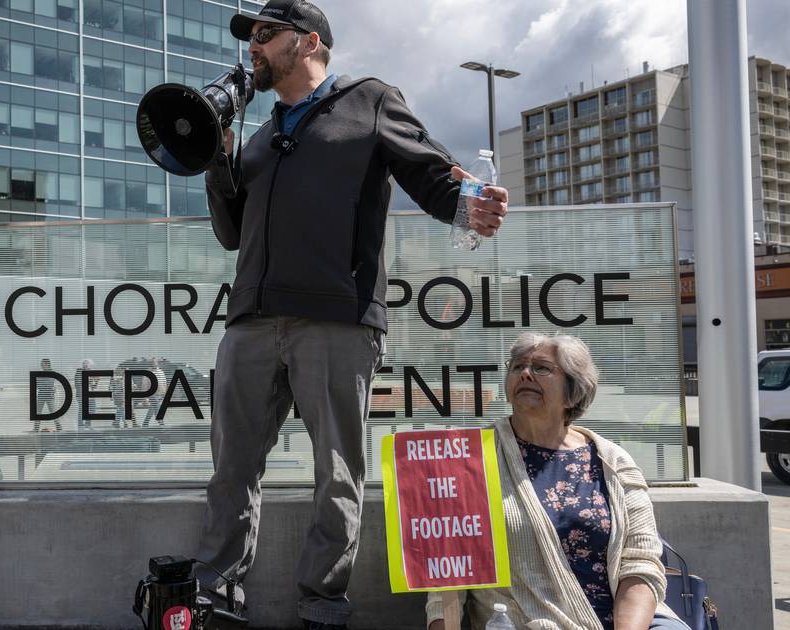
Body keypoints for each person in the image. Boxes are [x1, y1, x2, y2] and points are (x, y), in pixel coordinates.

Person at [193, 1, 509, 628]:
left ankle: (322, 604)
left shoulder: (369, 100)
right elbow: (232, 235)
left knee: (336, 472)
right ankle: (215, 594)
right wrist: (219, 164)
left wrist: (468, 206)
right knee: (231, 469)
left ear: (307, 42)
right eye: (249, 38)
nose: (252, 48)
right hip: (252, 320)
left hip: (337, 320)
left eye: (264, 35)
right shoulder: (259, 137)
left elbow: (429, 171)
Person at [426, 333, 688, 630]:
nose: (525, 373)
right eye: (517, 367)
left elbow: (640, 563)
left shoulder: (614, 462)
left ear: (573, 391)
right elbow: (445, 572)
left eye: (541, 368)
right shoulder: (468, 459)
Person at [33, 359, 62, 432]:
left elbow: (49, 384)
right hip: (42, 395)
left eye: (43, 364)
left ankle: (59, 428)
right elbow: (38, 384)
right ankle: (36, 428)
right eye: (41, 364)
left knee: (53, 412)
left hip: (49, 395)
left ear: (47, 364)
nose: (41, 365)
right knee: (38, 412)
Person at [142, 358, 167, 427]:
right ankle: (161, 423)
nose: (154, 364)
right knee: (156, 408)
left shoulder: (161, 372)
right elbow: (144, 385)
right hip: (152, 393)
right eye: (152, 362)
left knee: (152, 408)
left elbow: (164, 382)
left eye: (155, 362)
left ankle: (145, 423)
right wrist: (145, 397)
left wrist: (165, 391)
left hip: (160, 394)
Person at [75, 359, 98, 429]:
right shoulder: (79, 373)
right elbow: (78, 385)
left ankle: (87, 424)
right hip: (82, 395)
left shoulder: (89, 373)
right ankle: (81, 425)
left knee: (92, 409)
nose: (90, 367)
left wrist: (96, 381)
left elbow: (93, 387)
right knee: (82, 410)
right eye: (89, 366)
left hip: (90, 395)